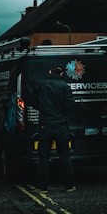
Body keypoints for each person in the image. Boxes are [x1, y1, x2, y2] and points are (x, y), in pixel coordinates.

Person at [31, 64, 76, 193]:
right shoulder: (64, 86)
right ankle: (69, 185)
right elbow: (70, 105)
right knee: (65, 156)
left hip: (46, 125)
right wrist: (63, 116)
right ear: (61, 74)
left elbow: (34, 102)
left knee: (44, 157)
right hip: (61, 125)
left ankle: (42, 186)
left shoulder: (41, 85)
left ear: (50, 72)